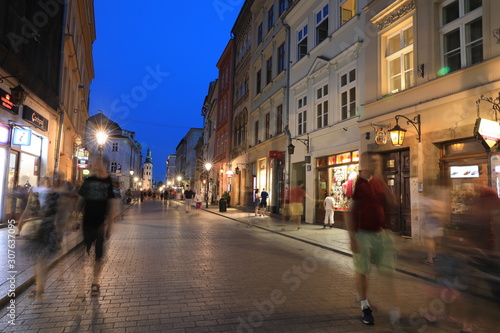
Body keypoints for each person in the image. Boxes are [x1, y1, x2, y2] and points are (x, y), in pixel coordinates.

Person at [348, 152, 399, 326]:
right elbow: (350, 213)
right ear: (364, 162)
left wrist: (382, 180)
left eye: (378, 161)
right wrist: (352, 238)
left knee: (387, 271)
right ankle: (364, 306)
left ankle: (392, 307)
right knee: (362, 271)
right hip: (362, 234)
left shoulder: (378, 182)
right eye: (373, 160)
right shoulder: (359, 183)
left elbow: (393, 202)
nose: (376, 163)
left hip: (381, 233)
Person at [77, 156, 116, 296]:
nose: (94, 164)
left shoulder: (108, 181)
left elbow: (111, 204)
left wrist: (110, 225)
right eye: (94, 162)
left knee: (98, 253)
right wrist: (75, 216)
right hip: (87, 221)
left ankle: (95, 281)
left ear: (104, 164)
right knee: (85, 250)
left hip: (100, 222)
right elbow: (81, 199)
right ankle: (83, 280)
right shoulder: (89, 180)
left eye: (97, 162)